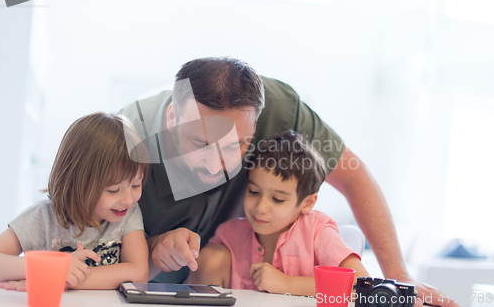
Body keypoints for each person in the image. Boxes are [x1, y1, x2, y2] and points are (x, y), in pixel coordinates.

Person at [122, 57, 458, 307]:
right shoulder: (123, 140)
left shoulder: (280, 109)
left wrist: (398, 274)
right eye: (198, 144)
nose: (216, 166)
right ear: (171, 118)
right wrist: (151, 249)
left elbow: (354, 177)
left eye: (236, 146)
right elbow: (94, 249)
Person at [188, 130, 369, 296]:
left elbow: (361, 286)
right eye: (254, 192)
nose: (260, 208)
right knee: (210, 257)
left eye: (277, 199)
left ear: (307, 203)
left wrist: (288, 284)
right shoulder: (229, 235)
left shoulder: (317, 232)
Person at [0, 112, 150, 291]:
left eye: (136, 185)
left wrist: (60, 279)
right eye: (113, 190)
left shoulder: (128, 213)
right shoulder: (43, 216)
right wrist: (45, 269)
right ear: (73, 184)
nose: (129, 199)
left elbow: (139, 272)